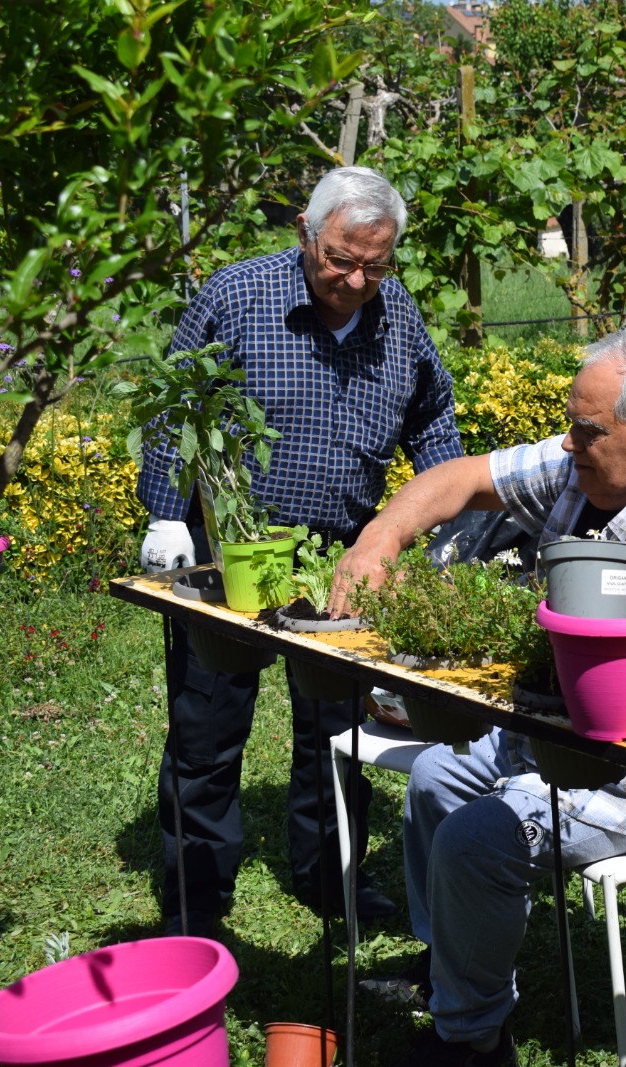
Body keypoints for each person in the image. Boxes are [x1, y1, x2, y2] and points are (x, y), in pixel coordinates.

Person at [329, 327, 626, 1067]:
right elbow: (463, 478)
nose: (567, 443)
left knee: (478, 839)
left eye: (585, 429)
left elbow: (620, 681)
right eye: (571, 423)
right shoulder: (595, 461)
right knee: (434, 781)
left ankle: (471, 1044)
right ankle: (453, 978)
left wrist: (465, 652)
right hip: (559, 725)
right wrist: (379, 540)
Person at [136, 166, 464, 937]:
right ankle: (196, 898)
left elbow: (432, 416)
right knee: (207, 729)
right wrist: (165, 514)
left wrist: (450, 519)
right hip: (231, 554)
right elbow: (176, 405)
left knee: (337, 732)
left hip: (343, 557)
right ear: (305, 235)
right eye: (340, 258)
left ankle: (330, 872)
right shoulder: (237, 297)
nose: (355, 279)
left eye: (375, 265)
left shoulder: (399, 320)